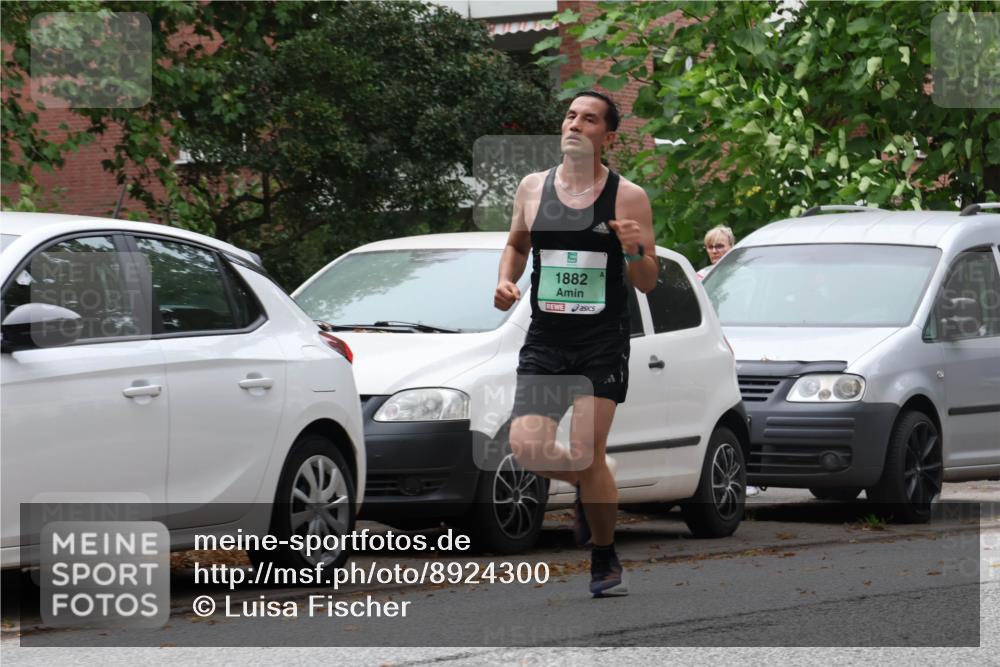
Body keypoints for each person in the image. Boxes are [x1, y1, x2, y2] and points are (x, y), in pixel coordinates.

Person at [494, 91, 657, 597]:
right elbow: (518, 244)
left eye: (589, 119)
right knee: (527, 446)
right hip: (546, 339)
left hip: (600, 342)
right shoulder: (532, 188)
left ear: (607, 137)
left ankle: (604, 559)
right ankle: (594, 478)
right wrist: (506, 281)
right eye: (570, 116)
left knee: (587, 447)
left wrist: (633, 250)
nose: (575, 124)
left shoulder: (627, 197)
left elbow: (648, 282)